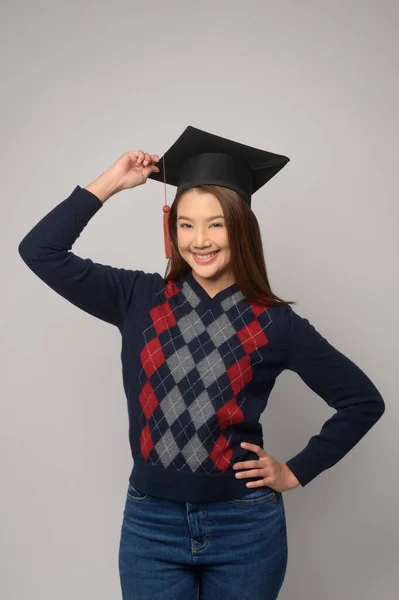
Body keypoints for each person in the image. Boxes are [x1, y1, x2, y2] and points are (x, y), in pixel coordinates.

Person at [18, 126, 385, 600]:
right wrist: (112, 181)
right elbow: (40, 250)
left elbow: (361, 401)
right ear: (171, 228)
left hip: (245, 527)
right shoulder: (137, 298)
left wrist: (295, 471)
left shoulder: (276, 323)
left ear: (242, 227)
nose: (200, 239)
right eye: (186, 223)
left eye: (216, 223)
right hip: (152, 526)